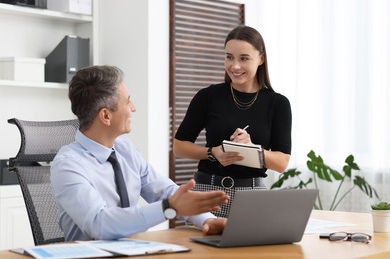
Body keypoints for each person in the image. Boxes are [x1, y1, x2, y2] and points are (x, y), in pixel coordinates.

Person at [51, 65, 229, 241]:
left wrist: (208, 220)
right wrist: (169, 208)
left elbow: (163, 191)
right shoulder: (68, 165)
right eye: (128, 102)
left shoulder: (124, 148)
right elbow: (100, 224)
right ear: (106, 116)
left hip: (132, 250)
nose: (133, 108)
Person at [173, 25, 292, 218]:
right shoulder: (207, 96)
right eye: (229, 57)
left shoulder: (278, 104)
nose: (234, 66)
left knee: (251, 249)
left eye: (244, 58)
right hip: (207, 192)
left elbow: (281, 162)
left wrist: (253, 148)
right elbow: (179, 147)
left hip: (252, 196)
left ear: (261, 59)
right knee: (203, 248)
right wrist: (213, 153)